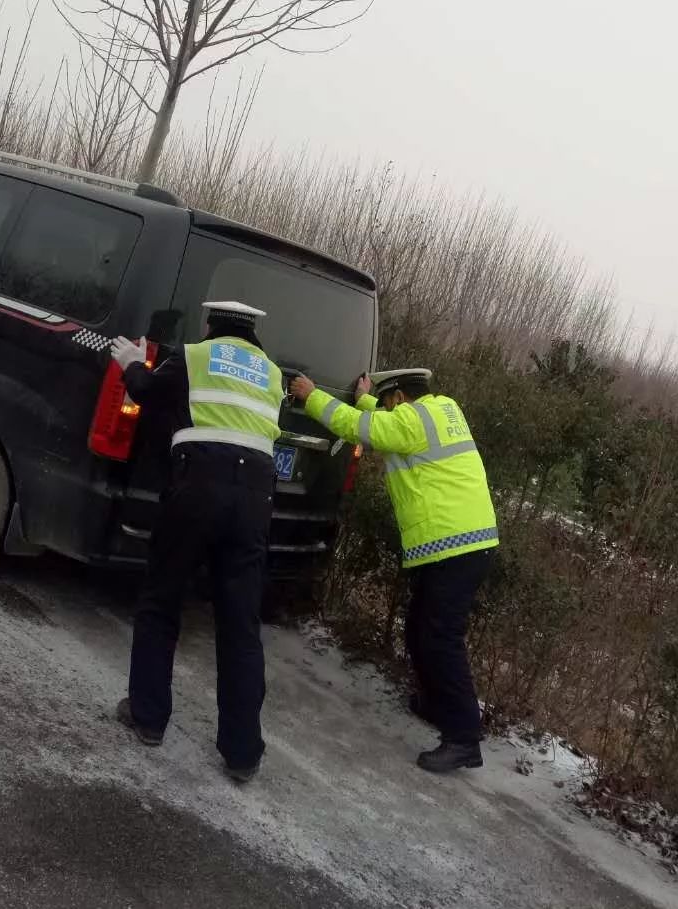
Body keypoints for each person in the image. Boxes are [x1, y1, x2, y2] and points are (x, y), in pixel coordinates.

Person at [288, 367, 498, 773]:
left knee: (440, 639)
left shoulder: (410, 420)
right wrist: (368, 398)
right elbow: (386, 422)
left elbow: (361, 428)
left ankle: (464, 738)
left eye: (387, 402)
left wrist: (311, 394)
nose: (385, 409)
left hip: (455, 545)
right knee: (420, 629)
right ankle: (438, 705)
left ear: (399, 397)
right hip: (463, 542)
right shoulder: (441, 409)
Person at [109, 301, 284, 782]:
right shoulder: (273, 374)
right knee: (240, 623)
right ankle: (243, 753)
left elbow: (145, 390)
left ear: (211, 326)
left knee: (162, 600)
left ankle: (147, 717)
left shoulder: (196, 356)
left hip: (198, 485)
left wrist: (129, 362)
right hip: (255, 498)